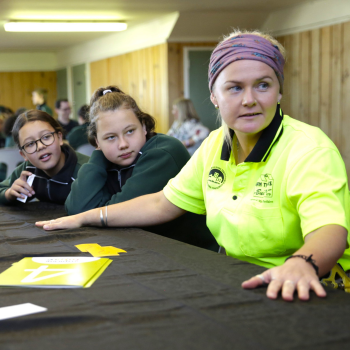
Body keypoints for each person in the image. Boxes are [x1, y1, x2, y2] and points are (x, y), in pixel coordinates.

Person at [36, 30, 350, 301]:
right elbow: (162, 203)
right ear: (214, 95)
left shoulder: (309, 147)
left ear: (279, 91)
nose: (250, 99)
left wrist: (302, 263)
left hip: (310, 285)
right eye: (235, 87)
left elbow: (329, 229)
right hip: (240, 279)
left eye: (263, 85)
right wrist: (87, 218)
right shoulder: (215, 144)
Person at [63, 86, 217, 251]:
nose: (123, 144)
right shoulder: (105, 159)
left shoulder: (164, 151)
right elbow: (77, 209)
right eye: (110, 137)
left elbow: (120, 213)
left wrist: (97, 208)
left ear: (144, 127)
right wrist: (98, 157)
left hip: (192, 255)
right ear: (97, 142)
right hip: (139, 250)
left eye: (130, 131)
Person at [0, 110, 89, 205]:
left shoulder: (86, 171)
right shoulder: (28, 170)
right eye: (30, 144)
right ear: (24, 155)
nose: (40, 146)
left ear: (59, 138)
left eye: (46, 137)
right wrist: (9, 194)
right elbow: (2, 189)